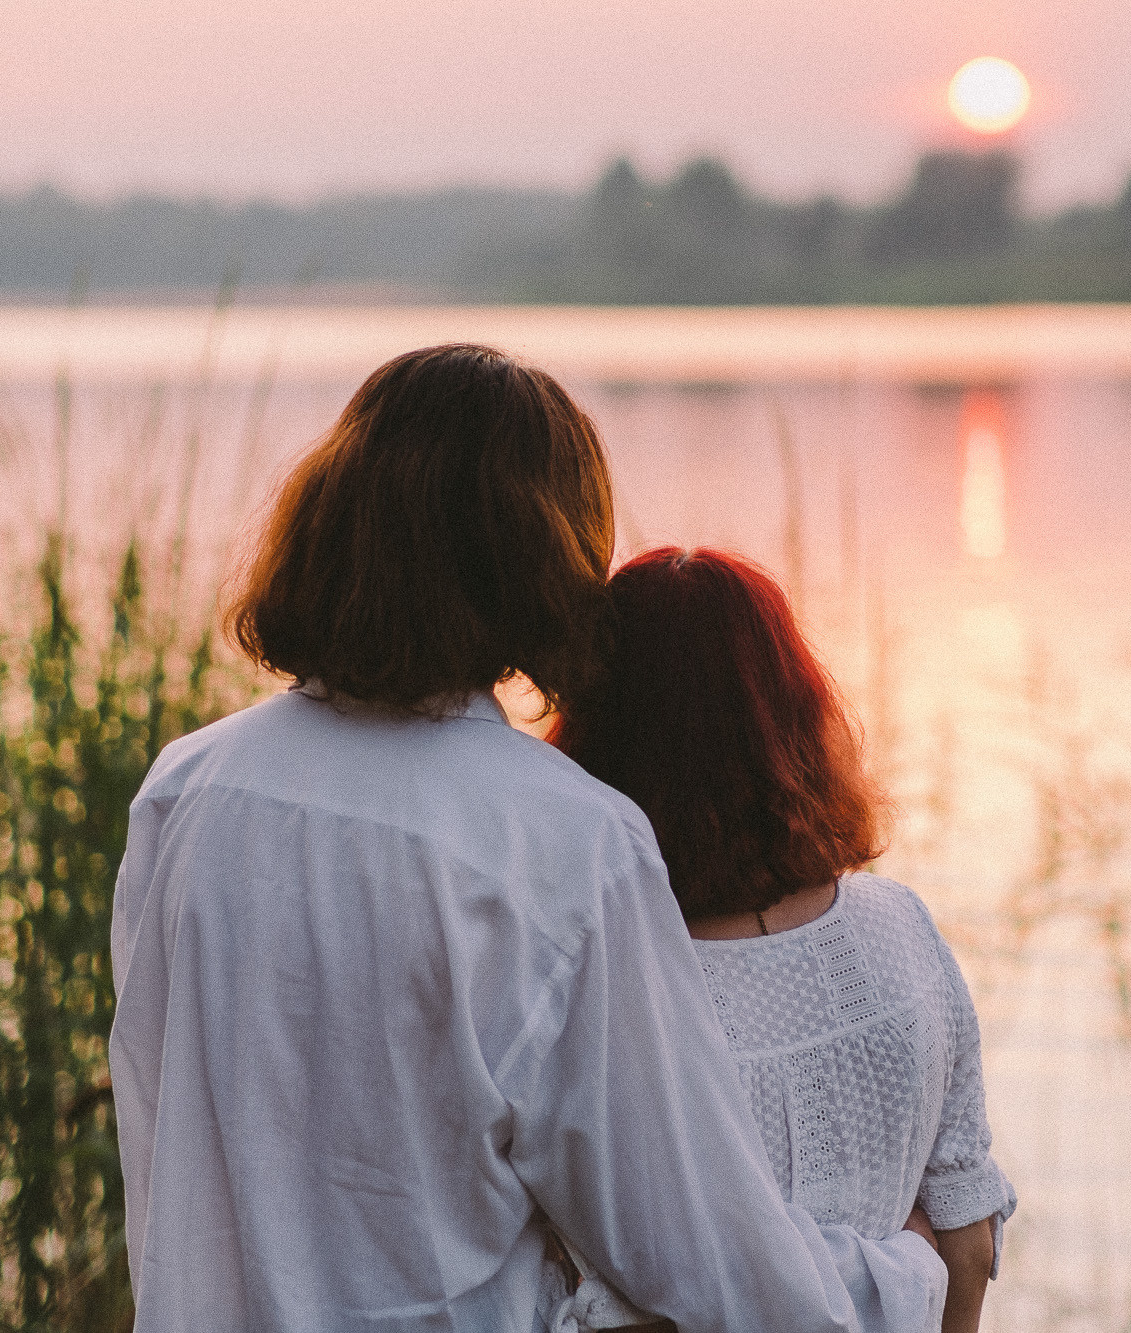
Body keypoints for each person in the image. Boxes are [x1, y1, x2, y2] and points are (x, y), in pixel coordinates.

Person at [107, 345, 946, 1332]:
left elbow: (166, 1158)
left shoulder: (186, 790)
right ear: (542, 561)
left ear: (331, 520)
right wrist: (906, 1273)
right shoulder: (562, 841)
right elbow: (708, 1260)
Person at [554, 547, 1018, 1333]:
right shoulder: (903, 929)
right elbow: (967, 1241)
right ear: (797, 712)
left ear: (602, 739)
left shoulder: (609, 988)